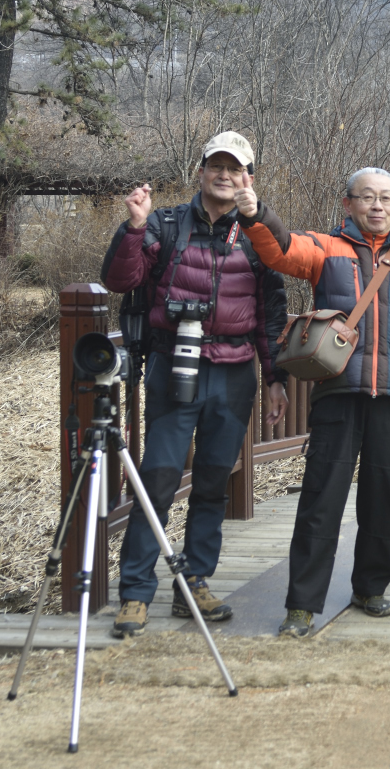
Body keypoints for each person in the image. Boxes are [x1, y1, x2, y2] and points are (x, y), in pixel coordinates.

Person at [232, 168, 390, 637]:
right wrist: (255, 215)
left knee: (387, 499)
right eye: (367, 197)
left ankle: (370, 588)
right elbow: (280, 249)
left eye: (386, 198)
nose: (377, 206)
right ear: (348, 203)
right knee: (321, 501)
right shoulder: (325, 249)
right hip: (338, 394)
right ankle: (301, 605)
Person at [101, 131, 289, 637]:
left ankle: (195, 582)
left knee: (212, 481)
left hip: (234, 373)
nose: (224, 175)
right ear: (200, 171)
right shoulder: (163, 224)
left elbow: (271, 315)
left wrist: (276, 377)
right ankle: (135, 592)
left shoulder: (257, 234)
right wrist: (133, 227)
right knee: (158, 479)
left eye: (235, 168)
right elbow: (120, 280)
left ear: (248, 178)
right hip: (174, 364)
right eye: (216, 166)